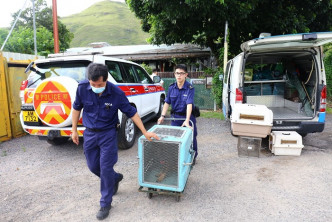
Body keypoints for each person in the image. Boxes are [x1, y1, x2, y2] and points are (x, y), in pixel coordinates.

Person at [71, 63, 159, 220]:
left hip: (108, 134)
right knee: (93, 166)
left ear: (106, 80)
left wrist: (145, 132)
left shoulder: (116, 93)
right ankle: (115, 178)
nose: (96, 87)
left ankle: (105, 203)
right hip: (90, 134)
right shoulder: (82, 88)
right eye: (93, 84)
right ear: (89, 80)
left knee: (105, 168)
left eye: (100, 84)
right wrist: (74, 130)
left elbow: (132, 112)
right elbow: (77, 108)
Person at [157, 64, 198, 164]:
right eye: (177, 73)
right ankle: (177, 158)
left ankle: (193, 157)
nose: (179, 75)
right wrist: (162, 116)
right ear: (174, 74)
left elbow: (189, 104)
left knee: (191, 137)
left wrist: (187, 120)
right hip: (175, 118)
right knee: (175, 138)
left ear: (186, 75)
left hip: (188, 116)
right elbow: (167, 102)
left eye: (181, 73)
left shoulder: (190, 88)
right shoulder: (171, 87)